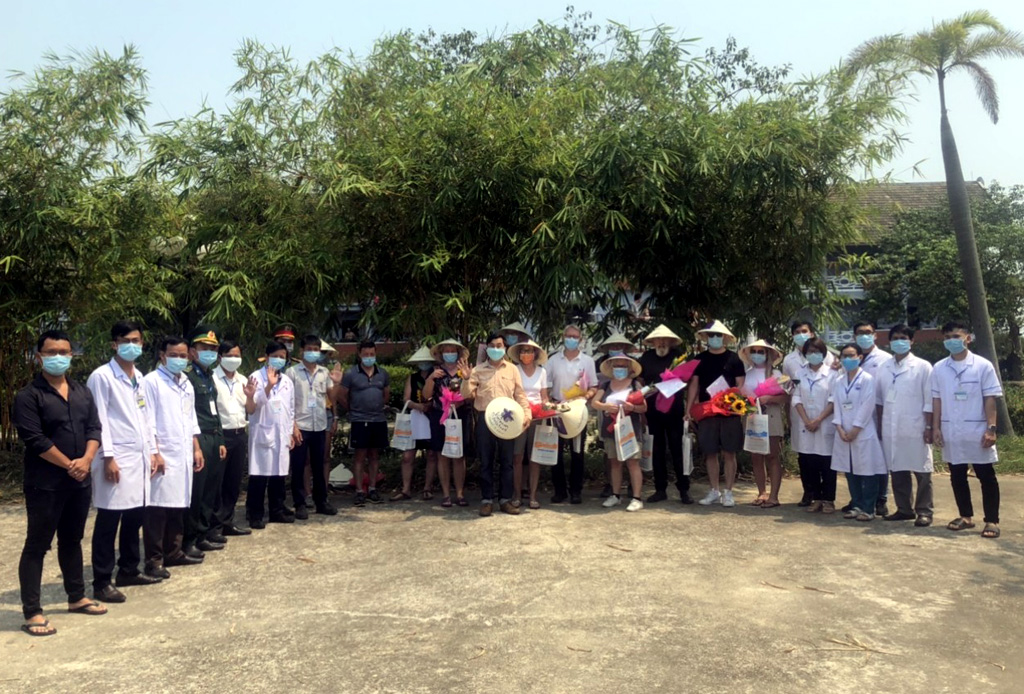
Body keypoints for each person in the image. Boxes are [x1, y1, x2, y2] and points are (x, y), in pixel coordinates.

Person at [14, 330, 106, 636]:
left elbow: (94, 428)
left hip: (79, 482)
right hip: (46, 484)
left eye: (64, 352)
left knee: (72, 540)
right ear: (39, 357)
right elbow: (35, 439)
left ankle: (76, 596)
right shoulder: (28, 397)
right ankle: (32, 612)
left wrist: (87, 461)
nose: (58, 357)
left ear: (71, 356)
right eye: (51, 352)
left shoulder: (81, 392)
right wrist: (69, 464)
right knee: (37, 546)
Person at [87, 320, 161, 603]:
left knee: (135, 515)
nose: (133, 345)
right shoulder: (102, 377)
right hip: (115, 457)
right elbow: (98, 420)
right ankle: (102, 581)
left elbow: (146, 417)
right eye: (127, 340)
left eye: (137, 340)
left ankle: (129, 569)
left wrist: (154, 450)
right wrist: (107, 457)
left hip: (140, 457)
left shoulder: (139, 377)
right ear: (114, 344)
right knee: (109, 519)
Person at [931, 321, 1004, 539]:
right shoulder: (939, 368)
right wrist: (935, 427)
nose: (951, 340)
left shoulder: (983, 365)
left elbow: (990, 399)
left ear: (967, 338)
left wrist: (991, 428)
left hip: (977, 429)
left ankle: (992, 520)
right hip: (951, 429)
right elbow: (936, 400)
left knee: (986, 475)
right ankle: (965, 516)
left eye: (955, 336)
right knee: (957, 474)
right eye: (946, 337)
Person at [142, 337, 204, 579]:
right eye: (173, 355)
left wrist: (196, 448)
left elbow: (191, 420)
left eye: (183, 355)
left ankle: (174, 552)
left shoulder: (186, 383)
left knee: (178, 504)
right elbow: (147, 420)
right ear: (162, 355)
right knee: (157, 509)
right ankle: (153, 560)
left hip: (183, 452)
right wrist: (154, 452)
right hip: (162, 453)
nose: (179, 359)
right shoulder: (151, 382)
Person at [461, 333, 532, 516]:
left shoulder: (512, 370)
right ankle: (486, 500)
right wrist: (466, 378)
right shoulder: (477, 370)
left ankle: (505, 500)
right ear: (487, 348)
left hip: (507, 420)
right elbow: (467, 395)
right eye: (492, 345)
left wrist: (527, 413)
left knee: (507, 462)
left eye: (499, 345)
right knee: (486, 461)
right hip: (485, 419)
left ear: (505, 348)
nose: (496, 349)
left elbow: (520, 394)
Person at [875, 324, 934, 526]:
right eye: (895, 338)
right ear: (889, 342)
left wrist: (929, 427)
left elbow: (929, 400)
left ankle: (924, 511)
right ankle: (904, 509)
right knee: (897, 468)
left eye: (903, 337)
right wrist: (880, 426)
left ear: (911, 341)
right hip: (891, 426)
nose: (899, 341)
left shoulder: (923, 366)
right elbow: (880, 401)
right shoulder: (884, 367)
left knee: (922, 470)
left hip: (916, 426)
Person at [685, 320, 745, 507]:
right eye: (712, 335)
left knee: (729, 452)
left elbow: (740, 385)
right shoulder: (699, 359)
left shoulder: (734, 359)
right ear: (706, 338)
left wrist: (731, 401)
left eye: (719, 335)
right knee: (710, 452)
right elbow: (694, 385)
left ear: (725, 338)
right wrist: (688, 410)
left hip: (729, 411)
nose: (715, 338)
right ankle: (713, 490)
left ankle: (728, 491)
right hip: (706, 411)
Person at [183, 327, 228, 555]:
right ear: (192, 352)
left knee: (210, 489)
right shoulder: (188, 376)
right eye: (204, 349)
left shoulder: (208, 375)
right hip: (197, 438)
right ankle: (189, 539)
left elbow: (214, 411)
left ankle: (204, 533)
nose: (209, 353)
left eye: (213, 349)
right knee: (196, 491)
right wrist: (195, 444)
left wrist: (220, 439)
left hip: (212, 437)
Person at [830, 343, 886, 521]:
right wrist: (839, 427)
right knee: (850, 469)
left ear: (860, 358)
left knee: (867, 469)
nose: (847, 359)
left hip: (862, 431)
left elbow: (867, 406)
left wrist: (855, 429)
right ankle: (856, 504)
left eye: (851, 355)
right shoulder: (838, 381)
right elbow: (837, 406)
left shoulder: (867, 379)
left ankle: (868, 508)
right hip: (843, 432)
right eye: (844, 356)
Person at [638, 324, 692, 505]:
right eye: (657, 340)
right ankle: (660, 489)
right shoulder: (646, 358)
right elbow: (640, 382)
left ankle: (684, 489)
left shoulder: (679, 357)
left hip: (675, 411)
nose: (661, 343)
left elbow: (687, 380)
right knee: (657, 450)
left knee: (678, 450)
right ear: (652, 342)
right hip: (652, 411)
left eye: (664, 340)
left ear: (670, 341)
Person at [783, 320, 835, 506]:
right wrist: (799, 419)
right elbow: (791, 391)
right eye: (797, 331)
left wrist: (819, 419)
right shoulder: (791, 362)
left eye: (804, 331)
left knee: (825, 460)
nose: (801, 334)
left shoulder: (830, 365)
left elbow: (833, 396)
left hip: (824, 418)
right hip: (802, 418)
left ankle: (827, 498)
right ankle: (810, 494)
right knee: (805, 459)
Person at [286, 335, 337, 518]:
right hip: (300, 425)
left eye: (316, 349)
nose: (313, 353)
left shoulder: (324, 372)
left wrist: (336, 383)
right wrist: (292, 425)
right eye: (309, 349)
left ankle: (321, 501)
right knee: (299, 465)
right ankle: (300, 503)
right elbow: (287, 401)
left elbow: (332, 396)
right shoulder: (292, 372)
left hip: (320, 425)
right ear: (301, 351)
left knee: (319, 464)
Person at [245, 342, 296, 528]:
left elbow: (290, 410)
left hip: (281, 434)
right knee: (259, 476)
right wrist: (268, 386)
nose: (279, 359)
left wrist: (290, 432)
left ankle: (277, 511)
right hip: (262, 433)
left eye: (283, 357)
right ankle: (255, 513)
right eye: (275, 355)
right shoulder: (255, 377)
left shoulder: (288, 382)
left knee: (279, 475)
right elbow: (253, 407)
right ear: (266, 357)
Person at [546, 324, 597, 504]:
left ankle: (576, 490)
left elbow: (594, 386)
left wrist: (586, 396)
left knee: (577, 452)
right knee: (555, 453)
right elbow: (546, 385)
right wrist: (549, 404)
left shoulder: (587, 361)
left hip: (578, 412)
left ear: (580, 340)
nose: (571, 339)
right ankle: (559, 490)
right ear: (563, 337)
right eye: (568, 336)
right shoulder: (553, 360)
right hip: (557, 412)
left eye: (575, 337)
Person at [339, 340, 391, 506]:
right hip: (359, 420)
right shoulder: (350, 374)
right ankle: (360, 491)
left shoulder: (383, 373)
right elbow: (342, 396)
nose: (369, 357)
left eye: (372, 354)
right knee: (360, 456)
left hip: (378, 420)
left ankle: (373, 488)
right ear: (359, 354)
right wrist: (354, 410)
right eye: (366, 354)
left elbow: (386, 395)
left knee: (375, 455)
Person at [851, 320, 894, 516]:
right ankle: (858, 499)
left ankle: (881, 499)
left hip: (878, 415)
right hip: (854, 418)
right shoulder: (850, 358)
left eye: (868, 332)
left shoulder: (886, 358)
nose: (864, 336)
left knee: (880, 459)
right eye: (860, 333)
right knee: (858, 459)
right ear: (854, 336)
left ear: (875, 335)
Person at [593, 356, 648, 511]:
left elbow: (644, 407)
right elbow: (594, 403)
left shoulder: (636, 385)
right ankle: (615, 495)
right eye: (616, 366)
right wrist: (606, 407)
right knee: (615, 462)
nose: (619, 369)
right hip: (611, 428)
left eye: (623, 366)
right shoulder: (605, 385)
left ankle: (637, 498)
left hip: (630, 429)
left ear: (629, 369)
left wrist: (632, 407)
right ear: (611, 367)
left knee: (632, 462)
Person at [423, 339, 473, 508]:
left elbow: (473, 395)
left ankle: (459, 493)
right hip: (439, 416)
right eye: (447, 351)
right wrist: (431, 378)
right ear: (441, 353)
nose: (450, 354)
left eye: (453, 351)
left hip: (460, 415)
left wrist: (467, 378)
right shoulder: (436, 371)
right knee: (441, 454)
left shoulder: (464, 370)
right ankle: (445, 494)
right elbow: (426, 396)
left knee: (459, 455)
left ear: (458, 353)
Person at [739, 339, 786, 508]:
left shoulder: (777, 374)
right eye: (754, 351)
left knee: (772, 455)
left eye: (761, 352)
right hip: (752, 416)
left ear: (768, 354)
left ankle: (774, 496)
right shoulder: (746, 374)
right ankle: (761, 492)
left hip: (771, 415)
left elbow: (786, 397)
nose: (757, 355)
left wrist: (770, 398)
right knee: (756, 456)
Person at [212, 339, 252, 535]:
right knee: (217, 482)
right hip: (221, 436)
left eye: (237, 356)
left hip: (239, 434)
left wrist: (251, 396)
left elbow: (250, 410)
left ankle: (227, 522)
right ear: (220, 357)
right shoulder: (212, 379)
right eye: (229, 356)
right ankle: (214, 526)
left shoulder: (243, 380)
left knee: (233, 482)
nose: (233, 359)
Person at [507, 340, 552, 510]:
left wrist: (549, 406)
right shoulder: (515, 370)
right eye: (523, 351)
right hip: (518, 417)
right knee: (517, 456)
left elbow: (544, 396)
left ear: (535, 354)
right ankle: (517, 495)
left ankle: (533, 495)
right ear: (519, 354)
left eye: (529, 351)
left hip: (537, 417)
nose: (526, 354)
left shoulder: (542, 372)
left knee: (535, 457)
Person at [391, 346, 439, 501]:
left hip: (432, 418)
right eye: (421, 361)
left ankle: (427, 487)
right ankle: (406, 489)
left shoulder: (437, 376)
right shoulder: (412, 378)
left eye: (427, 361)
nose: (424, 363)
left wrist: (430, 407)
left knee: (432, 454)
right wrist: (417, 406)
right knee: (407, 455)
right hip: (414, 417)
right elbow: (406, 399)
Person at [595, 332, 635, 498]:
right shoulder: (599, 362)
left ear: (625, 347)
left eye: (619, 346)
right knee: (610, 452)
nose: (616, 349)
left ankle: (633, 486)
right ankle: (610, 484)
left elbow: (638, 386)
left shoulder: (633, 363)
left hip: (629, 413)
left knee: (631, 451)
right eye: (612, 346)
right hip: (606, 410)